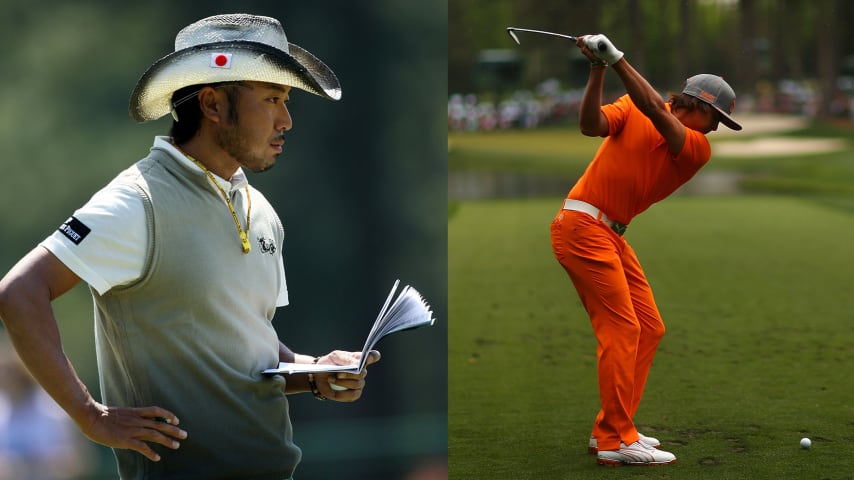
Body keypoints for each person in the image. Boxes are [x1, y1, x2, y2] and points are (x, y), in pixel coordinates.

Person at [0, 13, 380, 479]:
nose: (286, 120)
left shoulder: (259, 209)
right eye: (272, 99)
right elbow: (19, 292)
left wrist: (315, 371)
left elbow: (247, 350)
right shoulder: (138, 201)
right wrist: (90, 415)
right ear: (213, 104)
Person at [549, 34, 742, 466]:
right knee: (623, 330)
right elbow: (590, 125)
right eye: (717, 120)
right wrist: (598, 69)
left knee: (649, 328)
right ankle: (618, 441)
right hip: (582, 225)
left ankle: (610, 431)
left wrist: (615, 57)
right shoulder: (633, 106)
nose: (715, 130)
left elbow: (656, 109)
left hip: (610, 234)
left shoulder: (696, 148)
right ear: (700, 107)